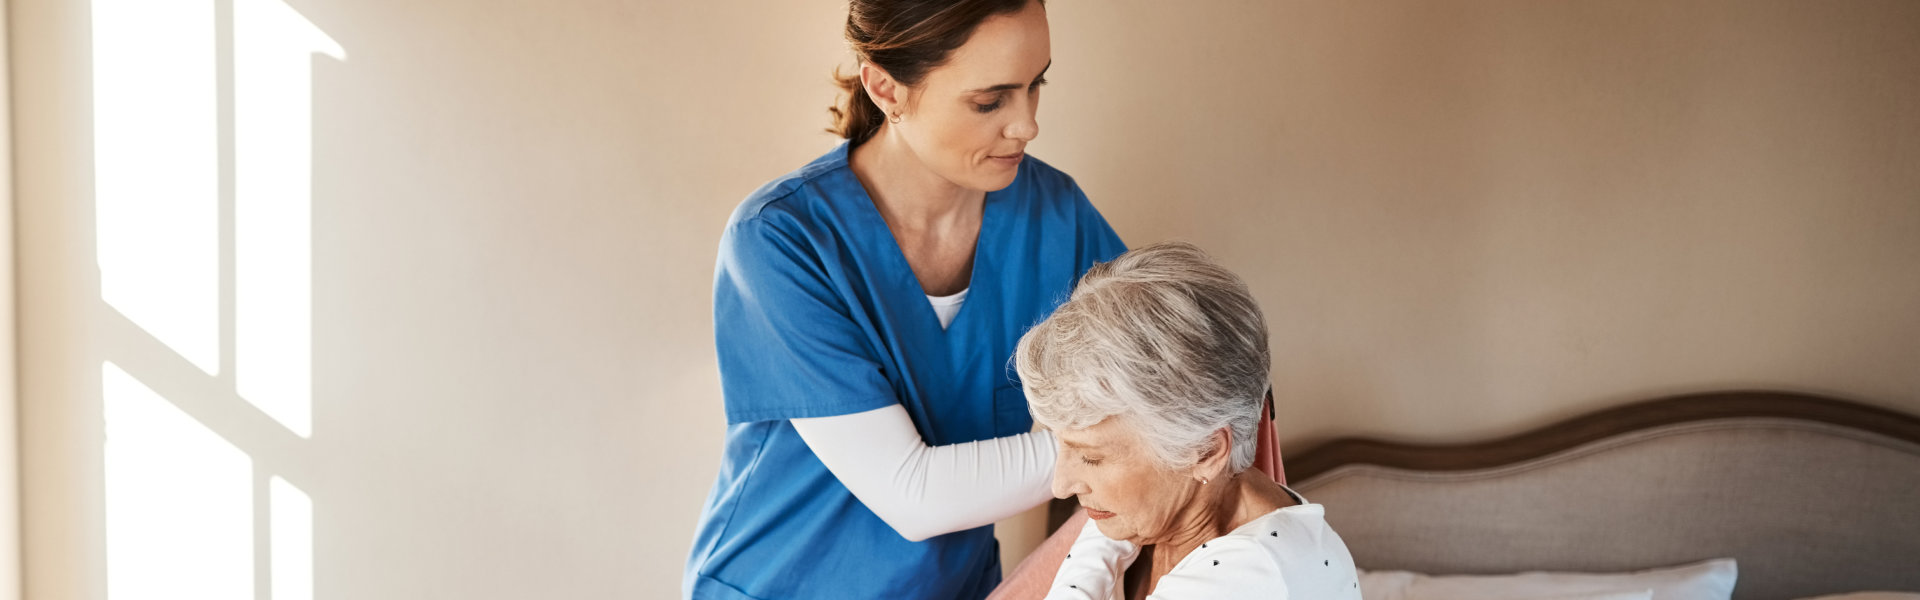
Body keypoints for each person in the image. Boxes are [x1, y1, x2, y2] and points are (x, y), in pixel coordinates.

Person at [682, 1, 1131, 598]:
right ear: (887, 88)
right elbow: (912, 493)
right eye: (990, 100)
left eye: (1035, 85)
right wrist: (1129, 449)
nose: (1026, 124)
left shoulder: (1056, 217)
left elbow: (1175, 372)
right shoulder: (779, 240)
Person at [1015, 242, 1362, 599]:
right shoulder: (1150, 517)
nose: (1060, 485)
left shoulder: (1258, 577)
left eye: (1092, 458)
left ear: (1206, 450)